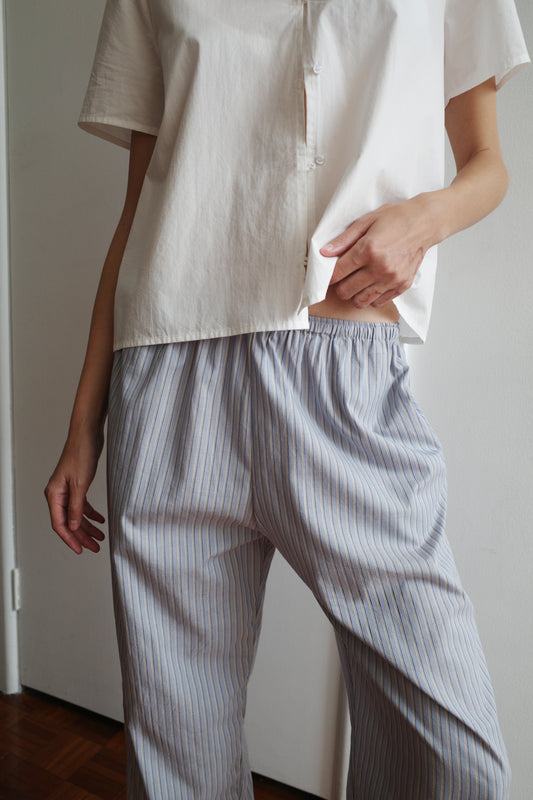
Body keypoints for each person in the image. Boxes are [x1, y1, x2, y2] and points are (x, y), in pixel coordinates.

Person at [45, 0, 529, 797]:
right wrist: (82, 426)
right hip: (168, 378)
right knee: (176, 750)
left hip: (342, 376)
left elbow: (487, 164)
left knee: (451, 755)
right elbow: (137, 214)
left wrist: (420, 219)